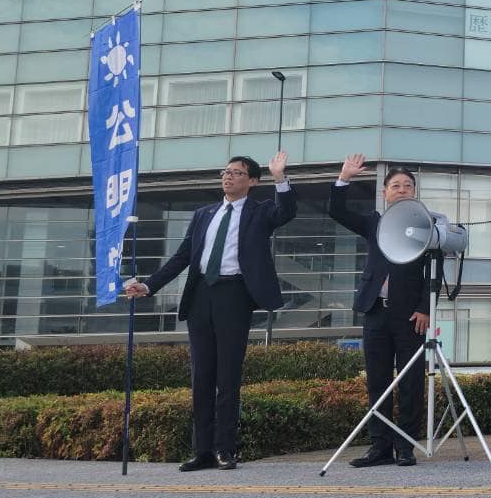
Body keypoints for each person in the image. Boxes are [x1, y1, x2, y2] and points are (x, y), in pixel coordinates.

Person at [124, 152, 295, 471]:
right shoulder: (204, 214)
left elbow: (287, 211)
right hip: (201, 294)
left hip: (234, 294)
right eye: (226, 172)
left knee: (227, 376)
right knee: (201, 376)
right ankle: (201, 450)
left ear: (253, 181)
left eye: (237, 173)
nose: (228, 177)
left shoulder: (260, 212)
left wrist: (280, 177)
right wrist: (149, 286)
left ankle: (224, 449)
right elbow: (182, 256)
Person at [329, 155, 430, 468]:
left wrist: (425, 307)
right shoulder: (374, 221)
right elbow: (338, 211)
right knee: (377, 381)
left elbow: (434, 272)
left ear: (414, 192)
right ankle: (380, 447)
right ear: (385, 192)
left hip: (410, 316)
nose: (401, 190)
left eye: (407, 186)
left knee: (411, 381)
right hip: (375, 310)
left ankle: (407, 446)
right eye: (395, 186)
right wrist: (344, 178)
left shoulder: (425, 225)